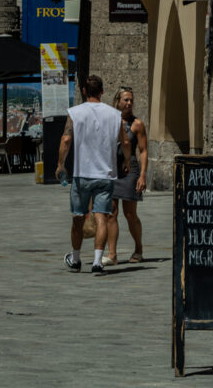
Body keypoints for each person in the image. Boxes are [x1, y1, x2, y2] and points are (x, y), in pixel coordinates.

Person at [55, 75, 130, 276]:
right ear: (103, 91)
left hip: (82, 174)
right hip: (105, 174)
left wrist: (61, 164)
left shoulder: (75, 113)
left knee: (78, 217)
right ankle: (97, 261)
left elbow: (66, 139)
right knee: (102, 218)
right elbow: (125, 142)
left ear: (84, 91)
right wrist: (127, 161)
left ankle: (76, 258)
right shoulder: (114, 114)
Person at [104, 86, 148, 265]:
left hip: (130, 172)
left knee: (130, 214)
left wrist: (142, 175)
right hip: (111, 171)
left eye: (131, 100)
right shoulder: (110, 121)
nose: (129, 103)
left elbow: (143, 150)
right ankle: (112, 254)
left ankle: (138, 248)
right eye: (126, 100)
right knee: (111, 214)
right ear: (117, 101)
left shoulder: (137, 124)